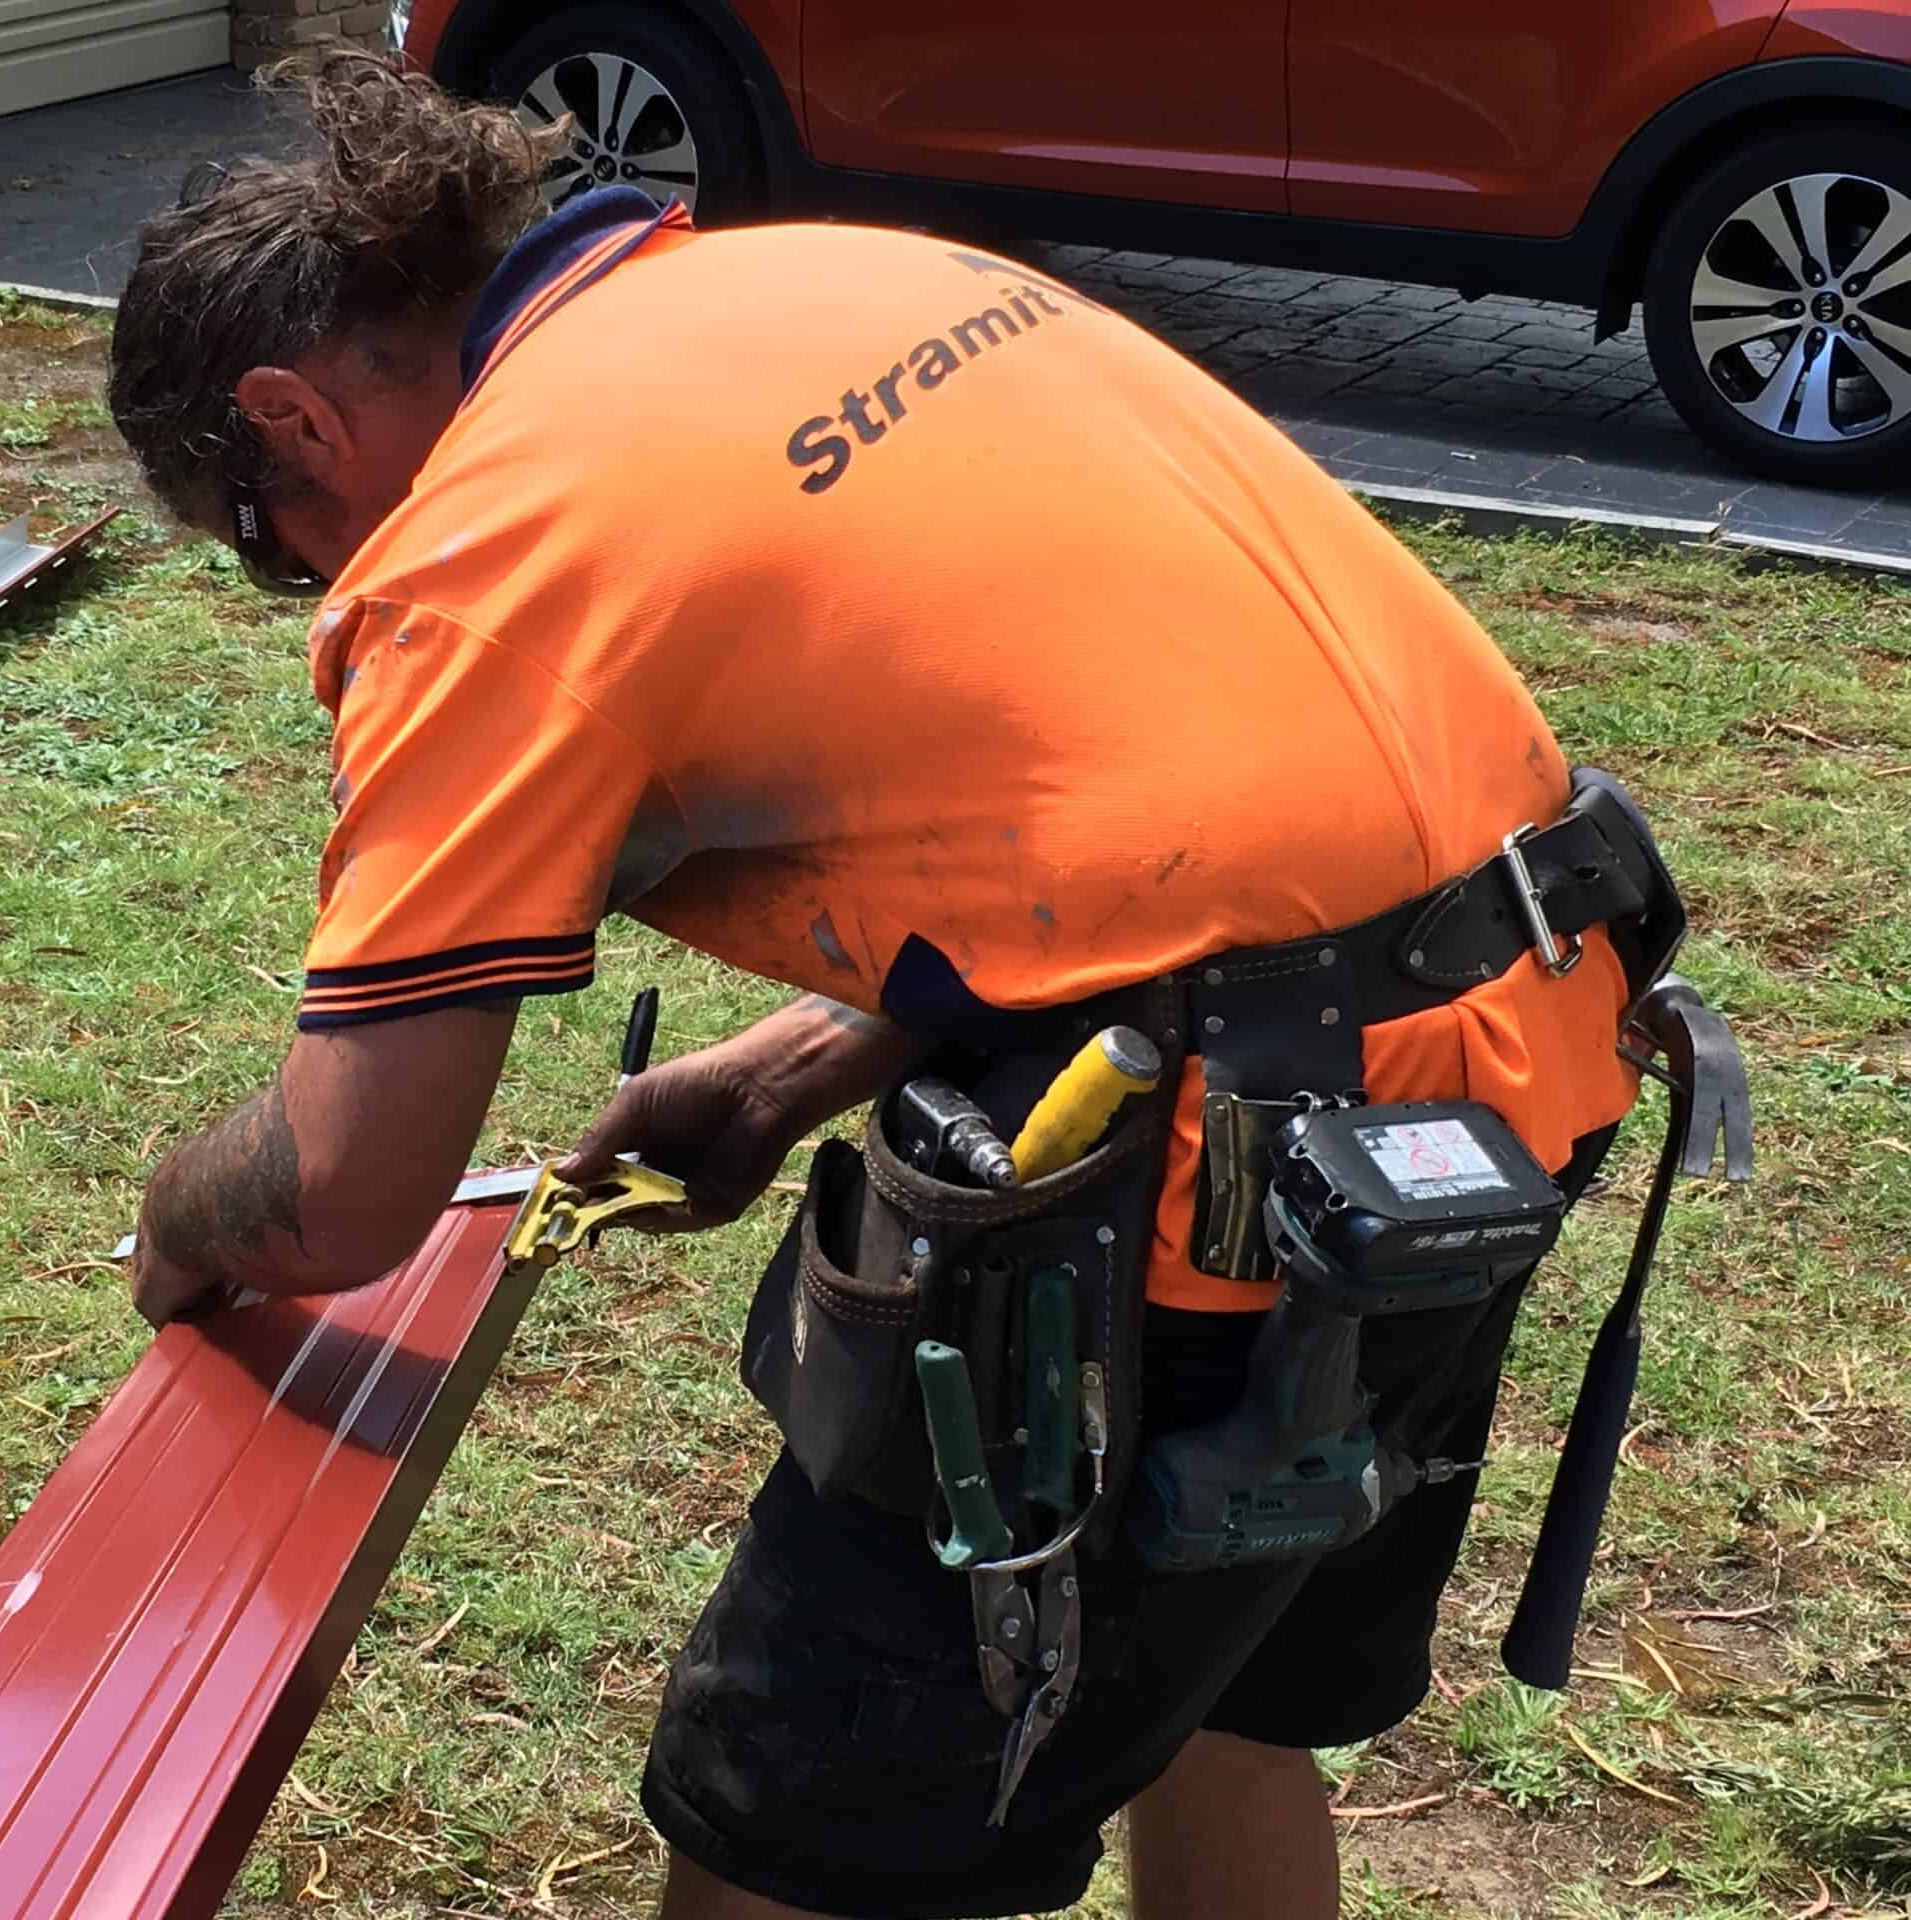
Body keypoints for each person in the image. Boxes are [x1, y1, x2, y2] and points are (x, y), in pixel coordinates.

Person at [105, 48, 1665, 1920]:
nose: (313, 586)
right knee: (1221, 1703)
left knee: (795, 1854)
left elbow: (348, 1191)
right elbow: (1119, 794)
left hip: (1220, 1206)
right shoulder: (818, 278)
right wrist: (781, 1074)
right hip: (1508, 1049)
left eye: (271, 552)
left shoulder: (482, 552)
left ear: (287, 423)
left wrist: (185, 1220)